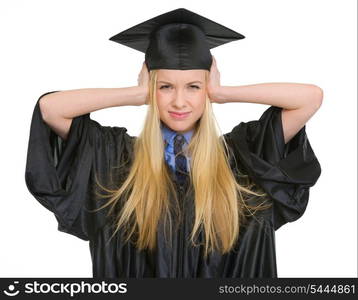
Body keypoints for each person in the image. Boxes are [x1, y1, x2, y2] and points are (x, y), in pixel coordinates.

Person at [25, 8, 322, 278]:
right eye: (165, 87)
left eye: (194, 87)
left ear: (207, 87)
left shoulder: (243, 157)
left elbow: (309, 98)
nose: (179, 101)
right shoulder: (115, 157)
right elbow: (51, 109)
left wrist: (222, 92)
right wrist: (136, 94)